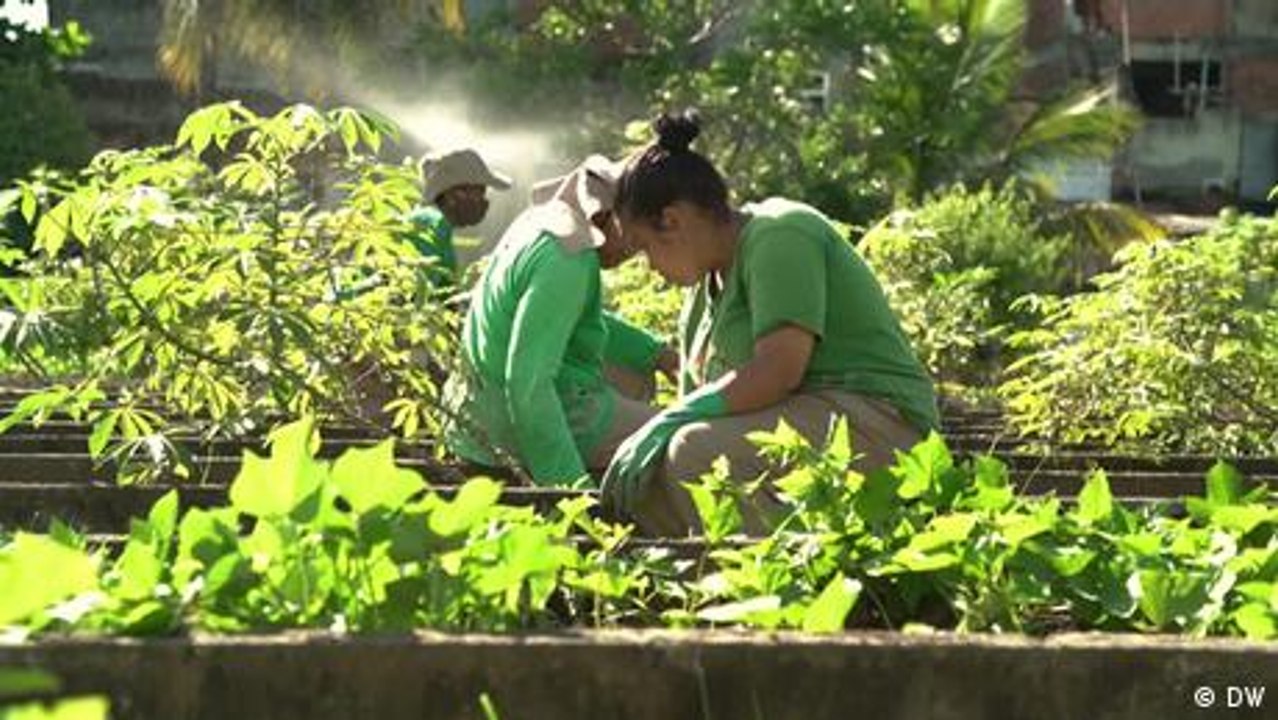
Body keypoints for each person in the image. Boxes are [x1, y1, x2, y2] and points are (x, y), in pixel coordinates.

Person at [601, 111, 940, 536]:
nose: (649, 266)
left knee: (696, 451)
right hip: (802, 430)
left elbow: (779, 370)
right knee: (644, 479)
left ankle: (788, 583)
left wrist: (669, 420)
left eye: (644, 248)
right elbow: (704, 400)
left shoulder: (780, 233)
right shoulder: (701, 296)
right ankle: (712, 582)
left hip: (877, 421)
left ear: (672, 221)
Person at [443, 155, 678, 486]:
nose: (635, 250)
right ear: (604, 217)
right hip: (510, 432)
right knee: (680, 435)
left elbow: (561, 317)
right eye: (633, 235)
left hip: (477, 418)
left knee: (638, 375)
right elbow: (528, 387)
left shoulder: (540, 224)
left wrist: (657, 354)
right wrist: (572, 494)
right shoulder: (566, 258)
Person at [410, 147, 513, 286]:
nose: (483, 200)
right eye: (479, 192)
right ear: (453, 193)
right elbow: (423, 295)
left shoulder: (434, 224)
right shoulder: (429, 226)